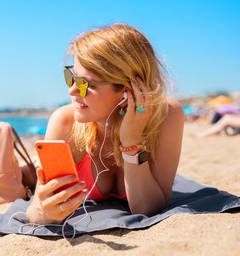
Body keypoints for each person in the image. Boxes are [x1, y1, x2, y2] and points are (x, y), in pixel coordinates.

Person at [26, 23, 184, 224]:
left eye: (86, 84)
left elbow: (147, 208)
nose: (72, 91)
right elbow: (35, 212)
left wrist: (132, 142)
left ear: (129, 90)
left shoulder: (167, 116)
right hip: (27, 175)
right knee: (22, 176)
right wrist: (45, 212)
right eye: (71, 77)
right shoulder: (64, 122)